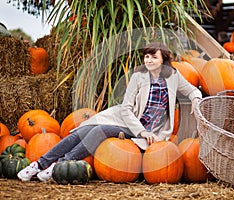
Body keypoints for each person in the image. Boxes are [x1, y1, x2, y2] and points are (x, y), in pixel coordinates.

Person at [17, 41, 202, 182]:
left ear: (164, 60)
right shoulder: (138, 77)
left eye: (154, 57)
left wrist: (195, 99)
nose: (149, 60)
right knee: (83, 130)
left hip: (153, 134)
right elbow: (127, 109)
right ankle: (39, 164)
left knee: (99, 131)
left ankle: (61, 164)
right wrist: (141, 131)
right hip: (132, 124)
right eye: (147, 57)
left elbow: (192, 90)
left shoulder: (173, 77)